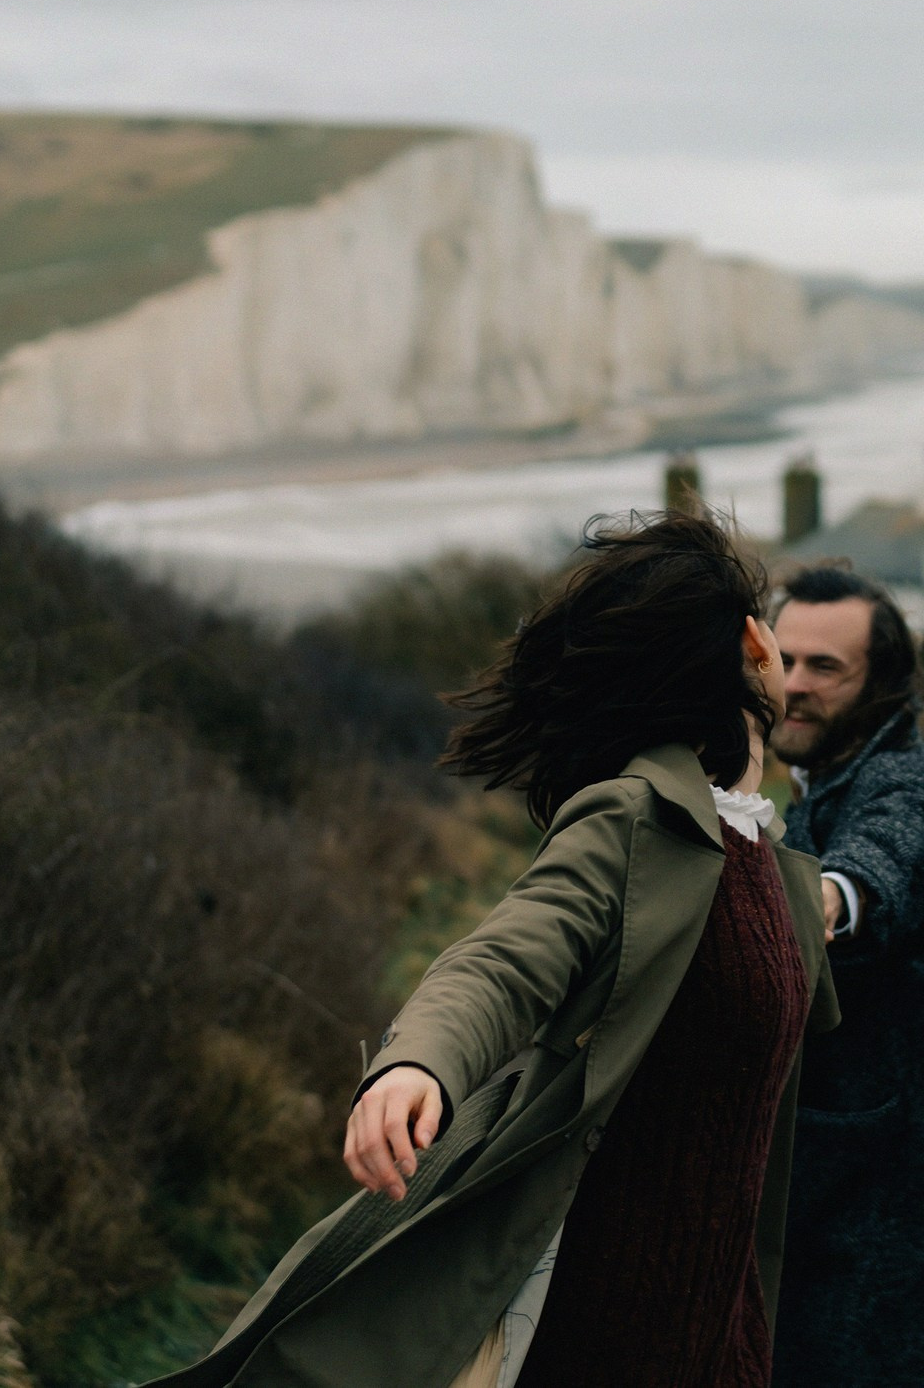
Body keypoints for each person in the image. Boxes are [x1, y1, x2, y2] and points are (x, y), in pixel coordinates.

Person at [148, 512, 840, 1388]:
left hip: (721, 1317)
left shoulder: (762, 860)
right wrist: (418, 1065)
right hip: (603, 1316)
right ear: (752, 643)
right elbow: (503, 959)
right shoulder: (634, 818)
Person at [769, 565, 924, 1388]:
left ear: (884, 683)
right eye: (783, 658)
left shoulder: (909, 778)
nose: (793, 686)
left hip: (907, 1192)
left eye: (824, 668)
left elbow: (881, 864)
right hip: (856, 1180)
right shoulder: (817, 785)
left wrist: (827, 900)